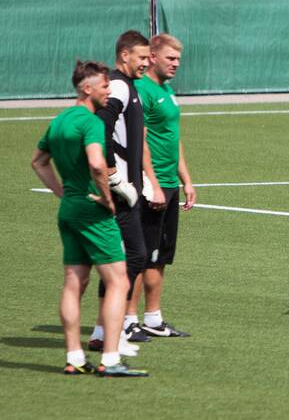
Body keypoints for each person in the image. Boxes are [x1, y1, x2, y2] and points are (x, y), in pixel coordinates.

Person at [31, 60, 147, 377]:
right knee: (118, 280)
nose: (109, 90)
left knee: (74, 281)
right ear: (87, 89)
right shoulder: (91, 122)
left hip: (69, 208)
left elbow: (39, 162)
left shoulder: (59, 120)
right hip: (91, 210)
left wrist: (62, 193)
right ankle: (110, 359)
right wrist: (108, 198)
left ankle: (75, 357)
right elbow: (98, 164)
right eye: (104, 86)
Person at [88, 30, 165, 352]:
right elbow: (101, 128)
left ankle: (102, 333)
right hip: (120, 192)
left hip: (129, 187)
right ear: (125, 56)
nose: (147, 63)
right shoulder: (118, 85)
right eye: (143, 57)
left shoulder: (129, 85)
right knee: (131, 257)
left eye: (149, 57)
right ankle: (111, 334)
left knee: (126, 259)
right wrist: (114, 178)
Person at [134, 33, 196, 338]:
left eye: (178, 60)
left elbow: (174, 136)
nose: (175, 64)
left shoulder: (168, 92)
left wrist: (186, 179)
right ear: (153, 57)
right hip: (150, 184)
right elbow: (140, 140)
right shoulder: (141, 90)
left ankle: (153, 319)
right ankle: (128, 320)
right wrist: (153, 183)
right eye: (170, 58)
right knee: (140, 255)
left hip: (170, 183)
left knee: (160, 256)